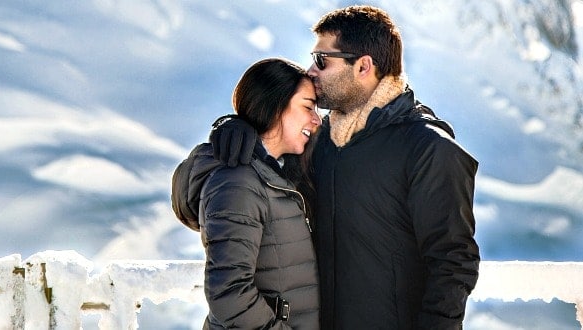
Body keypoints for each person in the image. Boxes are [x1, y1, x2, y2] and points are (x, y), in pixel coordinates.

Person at [208, 5, 480, 330]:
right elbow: (230, 200)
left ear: (363, 66)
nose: (310, 71)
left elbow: (454, 262)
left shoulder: (428, 148)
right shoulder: (318, 143)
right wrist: (236, 127)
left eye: (322, 60)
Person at [171, 57, 322, 329]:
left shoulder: (281, 176)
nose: (316, 119)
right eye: (308, 107)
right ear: (276, 106)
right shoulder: (238, 181)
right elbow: (228, 294)